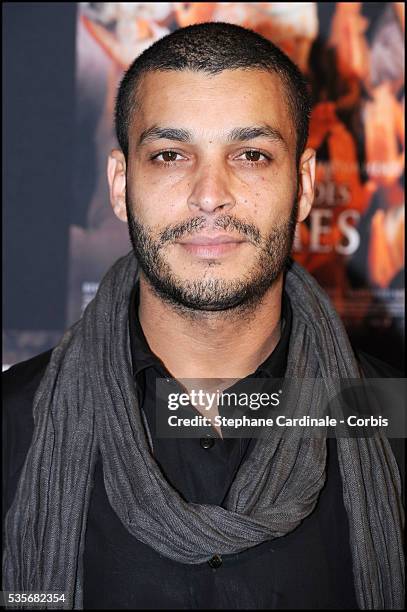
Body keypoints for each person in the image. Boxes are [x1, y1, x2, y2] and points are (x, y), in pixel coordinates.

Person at [3, 22, 404, 610]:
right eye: (170, 155)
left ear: (304, 184)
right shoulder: (14, 427)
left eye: (251, 155)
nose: (210, 193)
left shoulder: (390, 426)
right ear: (121, 184)